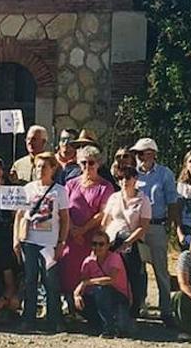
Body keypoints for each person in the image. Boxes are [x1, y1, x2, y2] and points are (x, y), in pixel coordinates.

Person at [13, 153, 70, 333]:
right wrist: (16, 238)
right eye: (37, 167)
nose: (40, 170)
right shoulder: (28, 189)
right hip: (29, 241)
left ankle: (54, 319)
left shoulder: (60, 191)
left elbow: (64, 218)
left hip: (49, 243)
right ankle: (28, 318)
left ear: (53, 168)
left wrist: (61, 241)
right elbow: (20, 215)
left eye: (44, 166)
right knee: (30, 280)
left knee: (50, 281)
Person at [132, 137, 178, 325]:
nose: (139, 157)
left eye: (141, 153)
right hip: (136, 227)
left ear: (152, 153)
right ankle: (139, 305)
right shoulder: (133, 174)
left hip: (157, 225)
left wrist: (170, 226)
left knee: (161, 270)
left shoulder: (165, 174)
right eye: (137, 154)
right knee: (138, 269)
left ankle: (166, 310)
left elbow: (172, 201)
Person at [60, 144, 114, 300]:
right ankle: (68, 304)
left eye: (91, 162)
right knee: (68, 269)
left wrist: (82, 230)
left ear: (98, 164)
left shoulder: (105, 186)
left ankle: (86, 305)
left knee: (88, 268)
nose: (87, 166)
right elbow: (64, 208)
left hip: (91, 237)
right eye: (83, 162)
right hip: (70, 235)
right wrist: (72, 229)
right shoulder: (71, 184)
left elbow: (103, 213)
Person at [101, 165, 151, 314]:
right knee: (110, 274)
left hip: (131, 242)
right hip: (111, 241)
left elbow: (143, 226)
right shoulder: (114, 197)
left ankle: (133, 308)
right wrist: (102, 241)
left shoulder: (143, 199)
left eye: (127, 177)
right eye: (120, 178)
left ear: (135, 179)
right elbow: (105, 221)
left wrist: (127, 243)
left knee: (133, 275)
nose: (124, 181)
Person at [73, 231, 133, 336]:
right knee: (76, 300)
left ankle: (108, 328)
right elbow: (82, 283)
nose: (97, 247)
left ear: (108, 245)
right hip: (98, 298)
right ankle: (100, 324)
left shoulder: (114, 258)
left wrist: (88, 282)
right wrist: (76, 295)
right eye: (94, 244)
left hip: (118, 298)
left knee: (101, 289)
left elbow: (111, 279)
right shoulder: (88, 261)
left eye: (101, 244)